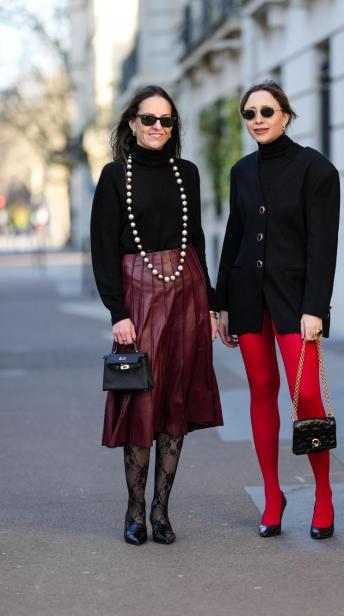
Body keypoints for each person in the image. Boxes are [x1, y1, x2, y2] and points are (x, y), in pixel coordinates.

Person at [90, 85, 223, 546]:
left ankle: (161, 510)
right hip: (139, 293)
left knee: (174, 402)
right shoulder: (113, 177)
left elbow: (198, 239)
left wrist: (211, 302)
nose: (158, 128)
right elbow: (103, 249)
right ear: (132, 123)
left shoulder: (186, 173)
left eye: (167, 121)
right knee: (141, 399)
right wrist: (117, 312)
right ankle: (134, 510)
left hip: (186, 292)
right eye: (150, 120)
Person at [216, 80, 340, 539]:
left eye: (266, 111)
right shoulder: (241, 172)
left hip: (295, 303)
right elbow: (234, 236)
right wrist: (221, 303)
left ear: (286, 114)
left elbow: (323, 247)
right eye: (249, 114)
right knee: (261, 391)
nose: (258, 120)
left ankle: (323, 494)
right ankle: (272, 494)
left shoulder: (316, 170)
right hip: (248, 298)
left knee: (306, 396)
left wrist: (316, 309)